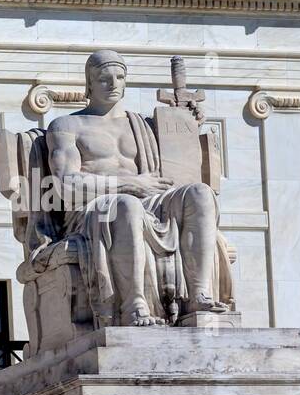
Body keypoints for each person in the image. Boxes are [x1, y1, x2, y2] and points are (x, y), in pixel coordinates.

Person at [45, 49, 233, 327]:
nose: (113, 84)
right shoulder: (67, 125)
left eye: (119, 77)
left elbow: (180, 160)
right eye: (103, 78)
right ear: (89, 83)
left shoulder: (144, 125)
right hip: (93, 208)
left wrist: (188, 123)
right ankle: (133, 305)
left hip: (150, 199)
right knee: (126, 205)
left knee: (200, 194)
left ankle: (199, 296)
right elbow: (66, 185)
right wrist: (130, 183)